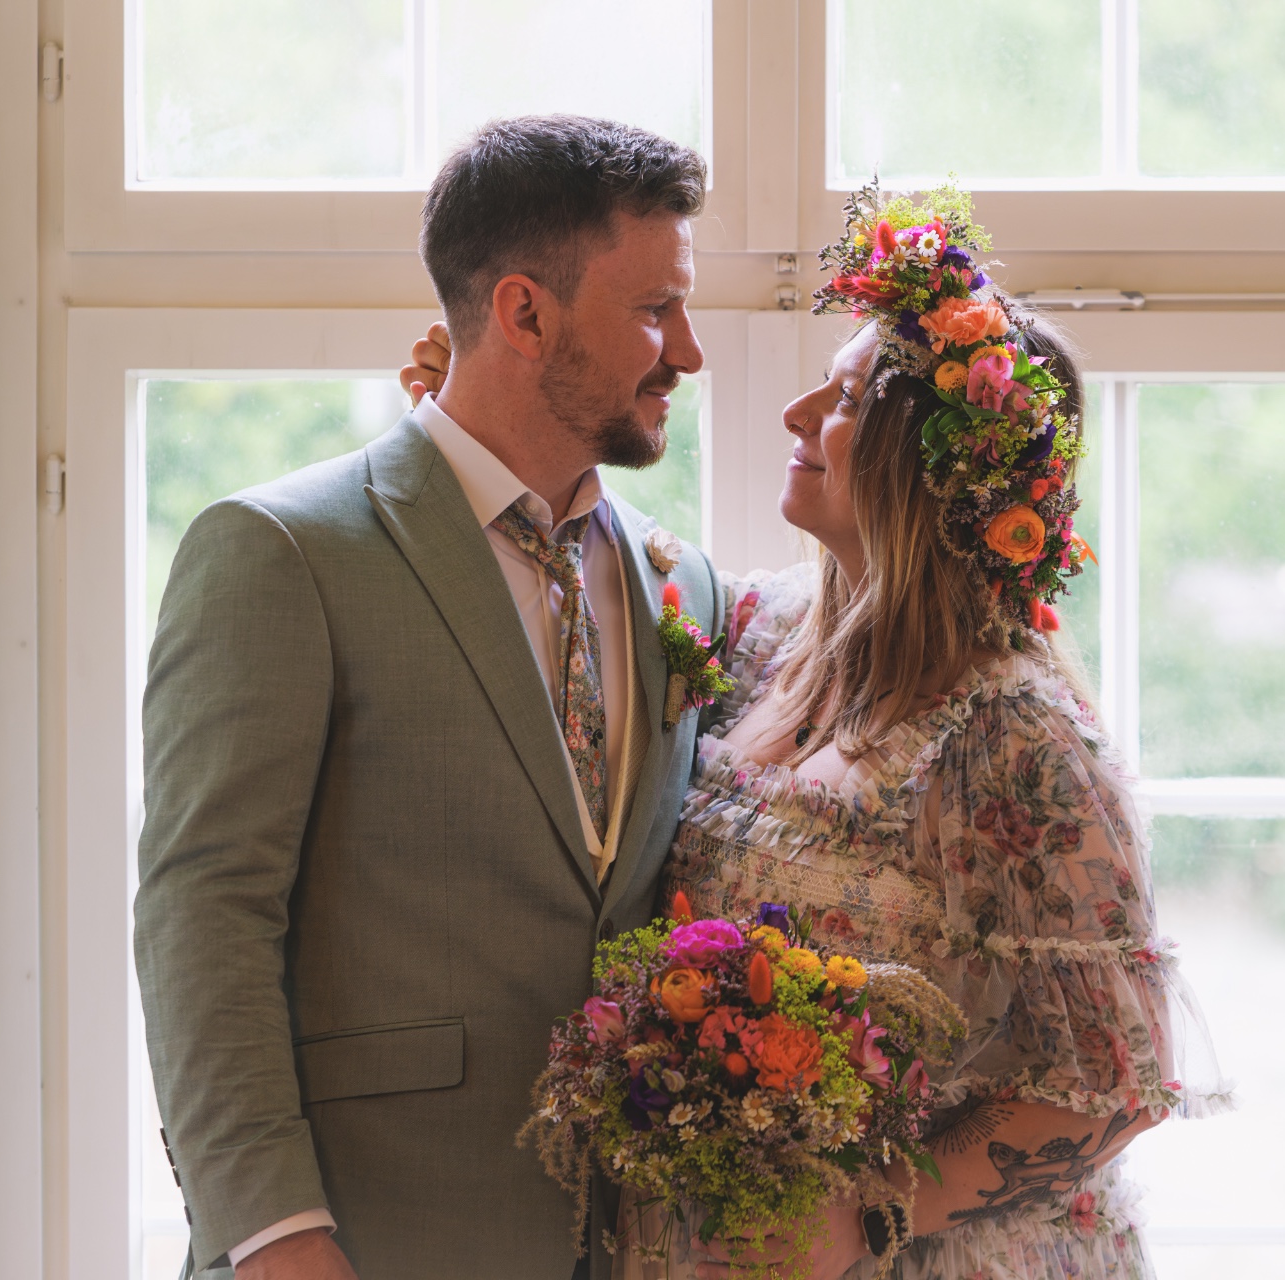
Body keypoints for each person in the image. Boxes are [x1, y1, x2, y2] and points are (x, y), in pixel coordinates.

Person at [402, 187, 1226, 1280]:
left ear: (929, 464)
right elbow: (571, 573)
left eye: (842, 399)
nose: (797, 413)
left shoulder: (1020, 738)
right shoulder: (753, 629)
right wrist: (479, 417)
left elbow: (1116, 1079)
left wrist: (877, 1212)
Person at [134, 115, 720, 1280]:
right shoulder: (281, 551)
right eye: (657, 310)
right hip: (360, 1241)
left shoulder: (681, 583)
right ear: (524, 314)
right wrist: (276, 1233)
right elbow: (204, 914)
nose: (688, 353)